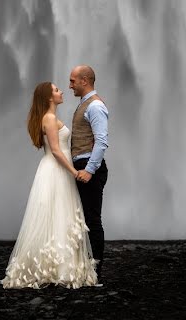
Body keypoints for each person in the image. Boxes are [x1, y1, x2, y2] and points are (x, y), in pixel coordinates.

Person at [0, 82, 98, 289]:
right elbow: (55, 150)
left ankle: (54, 266)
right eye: (56, 90)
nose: (61, 91)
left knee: (56, 215)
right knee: (59, 213)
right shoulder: (50, 118)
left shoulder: (48, 117)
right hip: (56, 169)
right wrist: (74, 172)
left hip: (53, 169)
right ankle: (60, 267)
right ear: (48, 98)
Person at [68, 65, 109, 284]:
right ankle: (85, 269)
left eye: (73, 80)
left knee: (92, 220)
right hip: (82, 165)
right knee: (84, 219)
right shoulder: (84, 105)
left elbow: (101, 141)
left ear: (85, 80)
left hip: (89, 167)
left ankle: (95, 273)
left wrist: (89, 170)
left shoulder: (95, 106)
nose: (70, 85)